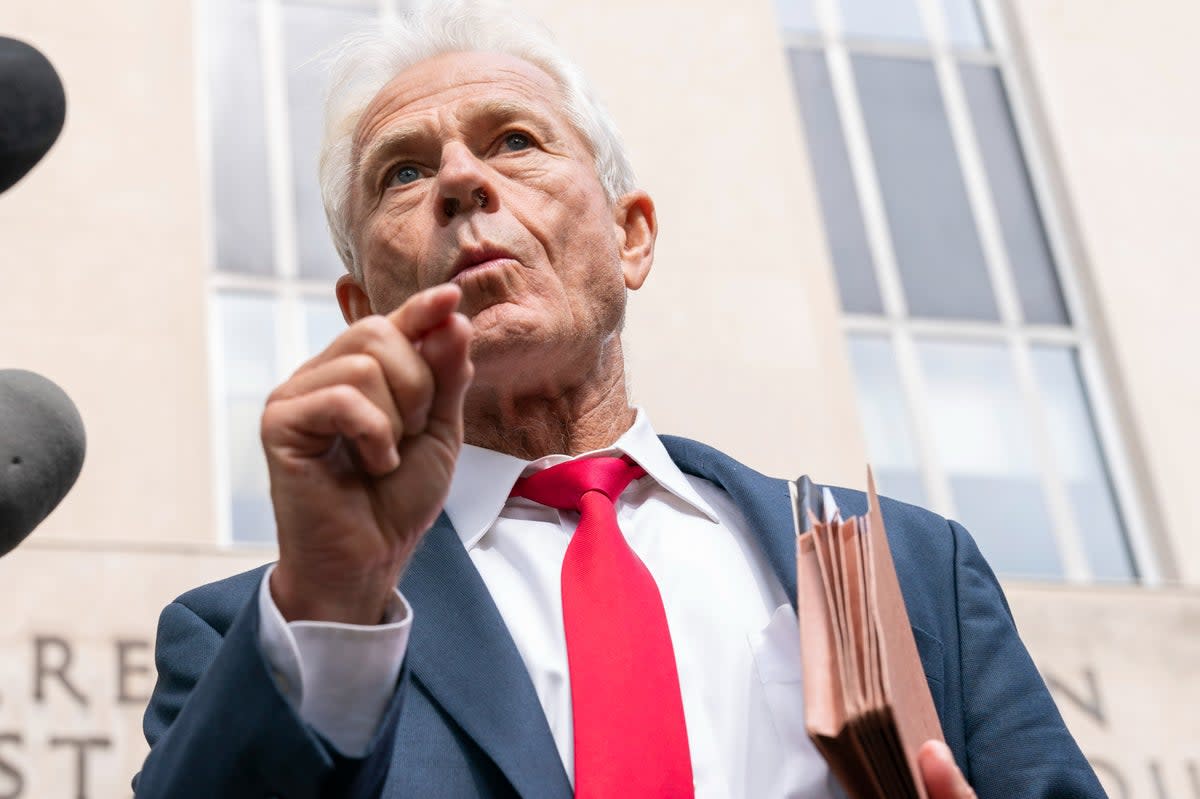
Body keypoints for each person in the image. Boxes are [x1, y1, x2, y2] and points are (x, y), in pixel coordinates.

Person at [133, 2, 1105, 797]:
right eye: (406, 171)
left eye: (513, 141)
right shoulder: (258, 638)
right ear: (362, 310)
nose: (464, 182)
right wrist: (331, 607)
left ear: (632, 236)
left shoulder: (916, 571)